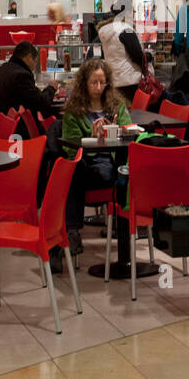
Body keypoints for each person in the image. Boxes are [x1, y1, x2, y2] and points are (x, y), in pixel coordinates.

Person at [61, 59, 132, 243]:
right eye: (94, 82)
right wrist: (93, 140)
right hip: (85, 164)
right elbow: (70, 150)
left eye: (102, 82)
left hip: (111, 162)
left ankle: (72, 229)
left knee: (118, 171)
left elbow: (129, 133)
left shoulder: (116, 106)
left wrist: (115, 130)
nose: (99, 87)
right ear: (84, 84)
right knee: (74, 170)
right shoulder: (74, 112)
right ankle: (72, 231)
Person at [0, 41, 58, 122]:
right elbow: (40, 102)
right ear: (29, 57)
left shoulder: (1, 70)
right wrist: (51, 88)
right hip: (11, 127)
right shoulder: (21, 75)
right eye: (35, 62)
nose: (33, 68)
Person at [98, 5, 150, 101]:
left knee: (120, 112)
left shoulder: (107, 31)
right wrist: (148, 57)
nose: (134, 15)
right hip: (130, 80)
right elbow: (137, 55)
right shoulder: (126, 29)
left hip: (114, 80)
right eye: (133, 12)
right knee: (133, 113)